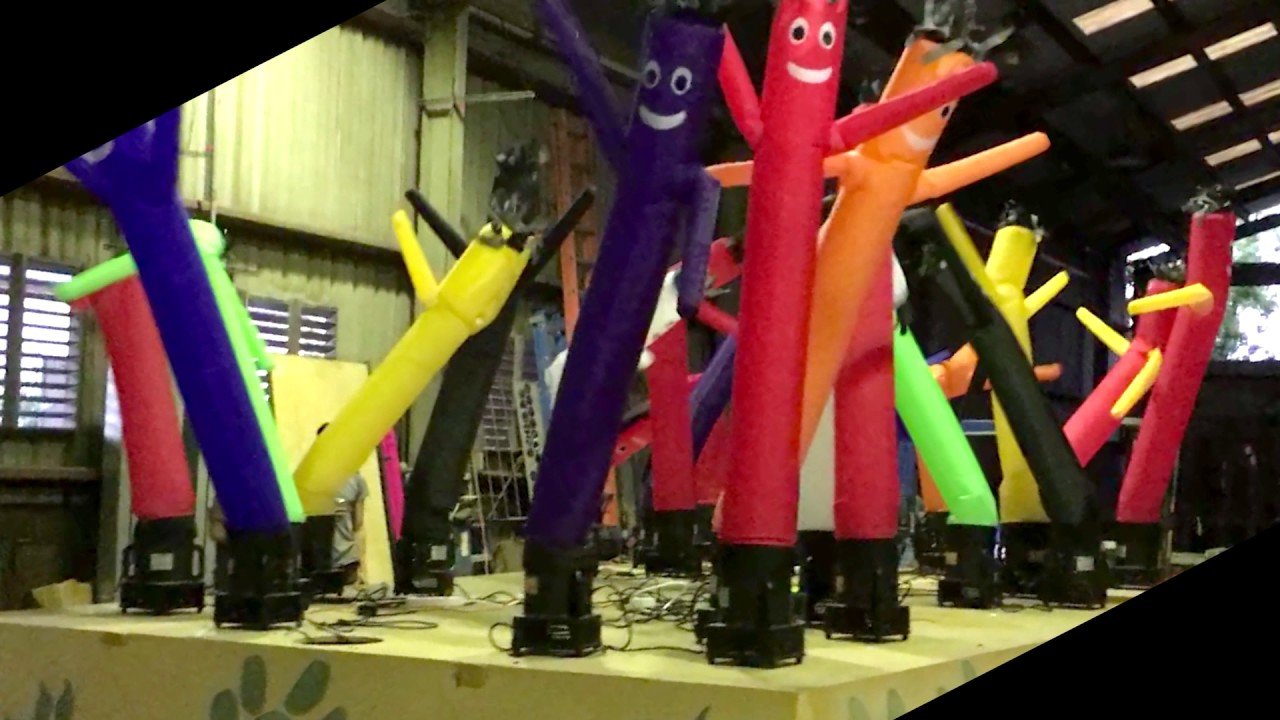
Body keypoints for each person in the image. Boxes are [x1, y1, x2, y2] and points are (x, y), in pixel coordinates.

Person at [316, 423, 369, 587]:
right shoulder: (310, 478)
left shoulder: (356, 480)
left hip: (347, 561)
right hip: (317, 564)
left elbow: (359, 526)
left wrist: (363, 569)